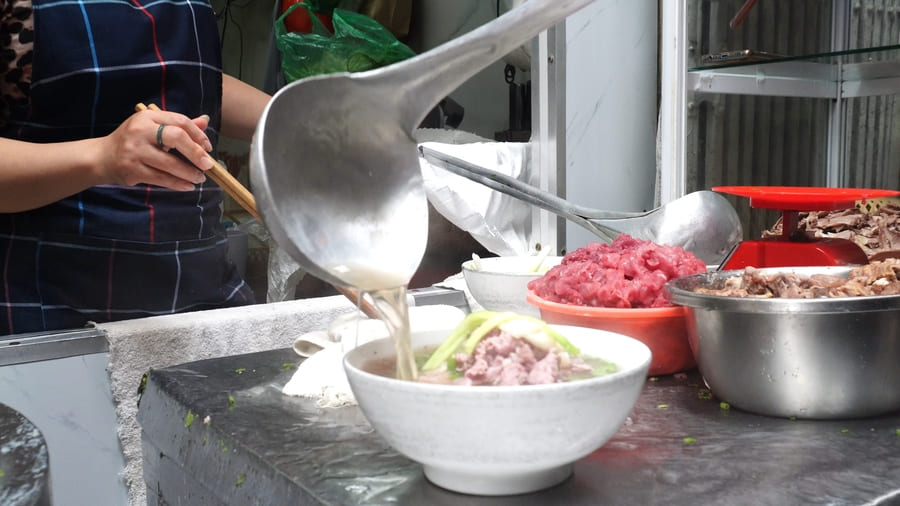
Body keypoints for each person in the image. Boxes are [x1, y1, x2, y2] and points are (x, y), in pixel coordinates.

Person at [0, 0, 272, 335]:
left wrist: (307, 119)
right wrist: (102, 157)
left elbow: (177, 75)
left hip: (204, 299)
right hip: (53, 317)